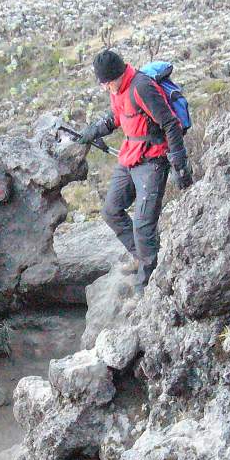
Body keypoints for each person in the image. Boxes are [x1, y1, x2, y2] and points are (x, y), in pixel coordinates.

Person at [75, 48, 192, 292]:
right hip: (130, 156)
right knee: (111, 211)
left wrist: (179, 162)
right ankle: (142, 258)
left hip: (153, 161)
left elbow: (170, 123)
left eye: (105, 82)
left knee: (143, 225)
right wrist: (93, 131)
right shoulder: (118, 89)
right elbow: (116, 117)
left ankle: (146, 285)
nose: (104, 87)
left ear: (116, 75)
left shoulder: (141, 87)